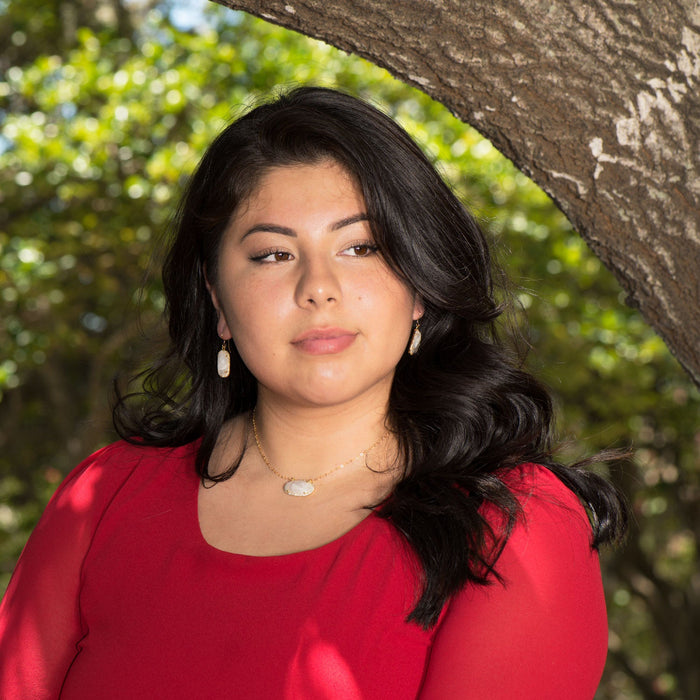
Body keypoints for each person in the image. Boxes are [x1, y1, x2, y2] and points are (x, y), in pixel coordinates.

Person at [0, 86, 626, 699]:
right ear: (217, 300)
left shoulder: (514, 524)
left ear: (418, 288)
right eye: (273, 255)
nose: (318, 287)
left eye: (361, 247)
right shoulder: (105, 496)